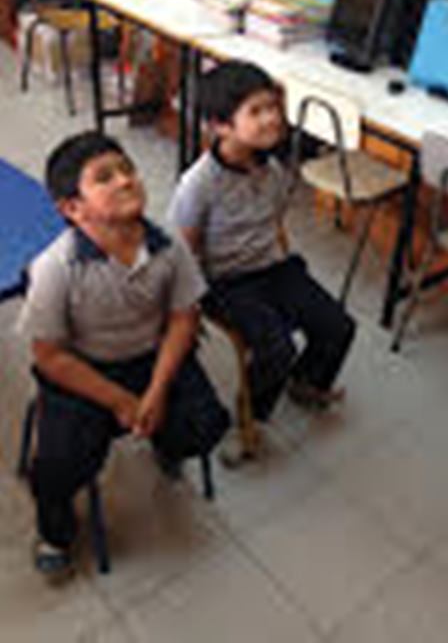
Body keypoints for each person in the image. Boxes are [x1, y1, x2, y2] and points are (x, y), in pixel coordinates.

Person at [19, 131, 230, 579]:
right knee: (55, 469)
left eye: (127, 169)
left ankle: (165, 442)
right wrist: (121, 401)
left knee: (205, 424)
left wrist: (154, 392)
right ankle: (56, 534)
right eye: (104, 177)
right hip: (84, 371)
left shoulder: (168, 245)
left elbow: (183, 319)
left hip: (151, 358)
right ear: (72, 209)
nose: (125, 180)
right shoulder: (55, 268)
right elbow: (50, 358)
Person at [167, 60, 356, 443]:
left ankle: (308, 383)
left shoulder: (273, 169)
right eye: (256, 111)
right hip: (226, 281)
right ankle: (250, 417)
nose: (272, 118)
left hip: (272, 267)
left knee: (338, 325)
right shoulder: (198, 184)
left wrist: (284, 261)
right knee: (276, 350)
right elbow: (183, 250)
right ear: (221, 126)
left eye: (272, 107)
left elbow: (273, 223)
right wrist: (190, 305)